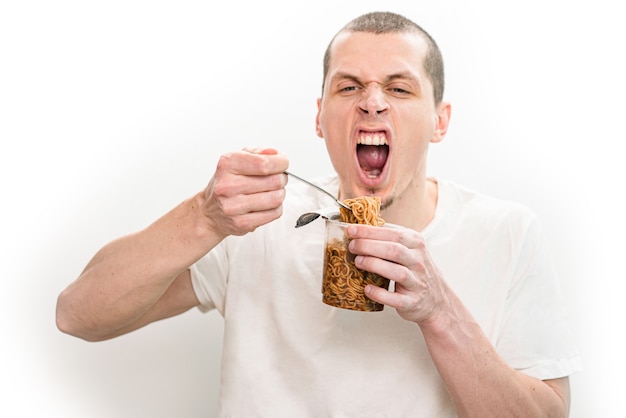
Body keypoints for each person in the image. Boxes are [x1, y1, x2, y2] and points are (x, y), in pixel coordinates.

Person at [56, 11, 582, 417]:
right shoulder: (258, 226)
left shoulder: (506, 232)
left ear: (440, 121)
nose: (372, 103)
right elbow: (77, 315)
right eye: (348, 86)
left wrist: (439, 311)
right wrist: (204, 216)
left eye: (399, 88)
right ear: (319, 116)